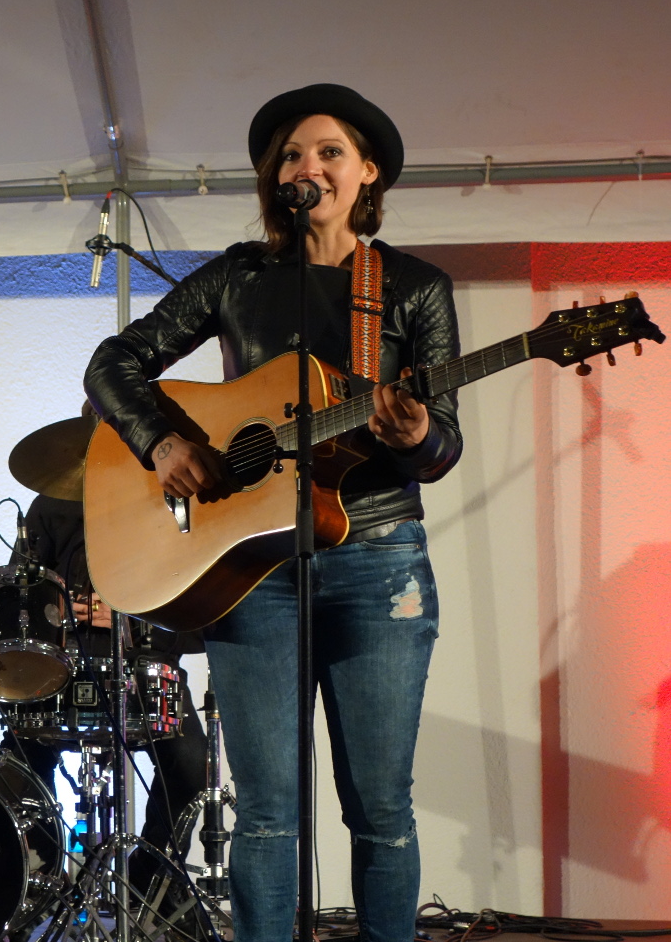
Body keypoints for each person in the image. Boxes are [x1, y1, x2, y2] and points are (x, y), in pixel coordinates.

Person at [83, 84, 462, 942]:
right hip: (252, 568)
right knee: (264, 814)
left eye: (329, 152)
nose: (307, 166)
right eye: (292, 154)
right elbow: (113, 364)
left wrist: (416, 436)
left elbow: (443, 448)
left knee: (381, 809)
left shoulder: (413, 288)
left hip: (378, 560)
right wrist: (161, 444)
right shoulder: (238, 277)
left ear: (367, 173)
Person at [4, 490, 207, 877]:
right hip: (62, 667)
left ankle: (149, 879)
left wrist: (133, 621)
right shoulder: (52, 502)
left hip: (146, 668)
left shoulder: (176, 499)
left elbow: (202, 615)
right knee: (18, 758)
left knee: (192, 765)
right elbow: (17, 598)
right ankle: (46, 874)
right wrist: (52, 609)